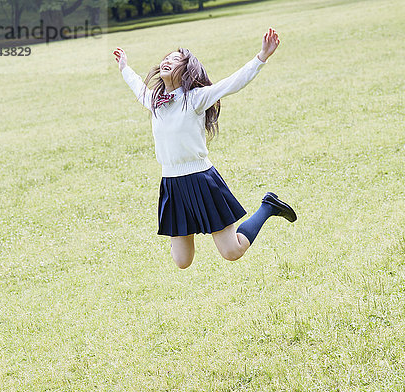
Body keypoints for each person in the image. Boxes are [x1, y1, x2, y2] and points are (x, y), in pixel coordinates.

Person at [113, 27, 296, 269]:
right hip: (172, 183)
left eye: (175, 59)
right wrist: (125, 67)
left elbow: (232, 83)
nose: (167, 60)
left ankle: (268, 206)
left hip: (201, 180)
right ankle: (186, 223)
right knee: (182, 261)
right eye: (166, 58)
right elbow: (138, 87)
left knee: (232, 251)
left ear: (186, 71)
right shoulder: (155, 102)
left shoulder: (196, 98)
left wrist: (261, 57)